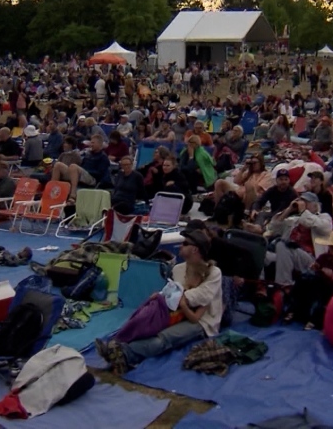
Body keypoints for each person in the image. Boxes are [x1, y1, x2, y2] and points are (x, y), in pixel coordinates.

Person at [96, 228, 221, 374]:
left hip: (201, 321)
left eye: (185, 243)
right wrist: (164, 295)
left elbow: (200, 296)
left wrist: (170, 296)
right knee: (145, 321)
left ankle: (124, 353)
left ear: (194, 249)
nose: (180, 246)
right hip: (176, 312)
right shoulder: (179, 269)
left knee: (163, 338)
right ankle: (118, 347)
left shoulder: (214, 272)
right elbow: (174, 293)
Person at [284, 230, 333, 330]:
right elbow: (316, 268)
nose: (330, 248)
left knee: (319, 287)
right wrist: (314, 268)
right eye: (330, 246)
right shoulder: (324, 257)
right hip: (316, 285)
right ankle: (293, 310)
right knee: (304, 279)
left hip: (332, 290)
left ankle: (313, 319)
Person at [50, 133, 111, 201]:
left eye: (93, 143)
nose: (91, 145)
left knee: (73, 166)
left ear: (99, 144)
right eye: (91, 142)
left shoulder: (103, 157)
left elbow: (100, 173)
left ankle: (73, 194)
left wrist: (83, 170)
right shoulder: (89, 154)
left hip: (92, 178)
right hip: (82, 174)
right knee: (58, 165)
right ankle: (52, 191)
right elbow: (82, 165)